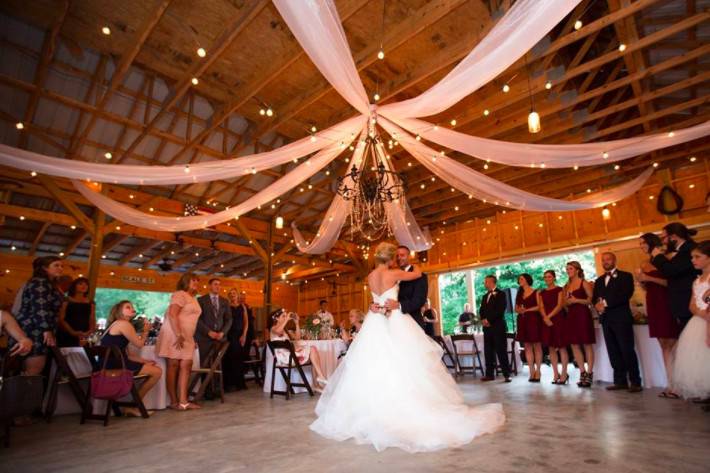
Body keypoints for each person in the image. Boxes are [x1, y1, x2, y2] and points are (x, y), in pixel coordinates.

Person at [311, 242, 505, 453]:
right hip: (394, 321)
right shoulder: (394, 273)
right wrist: (414, 265)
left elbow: (376, 299)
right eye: (396, 256)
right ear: (391, 258)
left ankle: (372, 410)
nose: (398, 259)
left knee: (374, 364)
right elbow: (417, 273)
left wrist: (375, 305)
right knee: (405, 363)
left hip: (374, 322)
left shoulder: (370, 277)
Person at [637, 233, 680, 397]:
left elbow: (670, 282)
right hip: (653, 302)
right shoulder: (645, 263)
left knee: (672, 341)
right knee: (663, 343)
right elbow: (648, 287)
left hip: (666, 302)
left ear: (651, 243)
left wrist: (648, 277)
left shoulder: (665, 259)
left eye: (643, 243)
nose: (641, 246)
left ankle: (679, 383)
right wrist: (642, 282)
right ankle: (670, 383)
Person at [101, 300, 162, 416]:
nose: (132, 309)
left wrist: (145, 361)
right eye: (128, 307)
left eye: (132, 307)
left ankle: (132, 406)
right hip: (115, 365)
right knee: (157, 372)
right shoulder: (123, 324)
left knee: (152, 368)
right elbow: (139, 344)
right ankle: (134, 406)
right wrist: (146, 331)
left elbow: (128, 355)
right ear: (120, 312)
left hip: (108, 364)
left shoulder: (115, 324)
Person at [593, 252, 642, 392]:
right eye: (603, 260)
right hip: (606, 319)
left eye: (608, 259)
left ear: (614, 260)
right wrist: (597, 305)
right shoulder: (599, 280)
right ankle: (620, 381)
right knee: (613, 351)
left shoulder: (626, 276)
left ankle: (635, 381)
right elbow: (595, 297)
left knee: (627, 350)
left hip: (621, 318)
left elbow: (626, 294)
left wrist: (606, 304)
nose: (605, 262)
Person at [671, 241, 710, 401]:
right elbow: (692, 305)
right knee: (700, 360)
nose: (693, 260)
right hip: (699, 320)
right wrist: (702, 313)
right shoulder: (697, 280)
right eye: (692, 257)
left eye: (697, 257)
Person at [156, 273, 202, 411]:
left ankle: (183, 401)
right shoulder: (179, 294)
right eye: (192, 280)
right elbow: (172, 314)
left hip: (187, 336)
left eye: (197, 281)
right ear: (185, 281)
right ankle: (174, 401)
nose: (196, 283)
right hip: (174, 333)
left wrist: (190, 337)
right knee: (173, 364)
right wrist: (178, 334)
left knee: (186, 364)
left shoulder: (194, 298)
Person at [13, 256, 64, 376]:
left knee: (32, 371)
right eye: (56, 265)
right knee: (33, 370)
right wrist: (46, 330)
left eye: (62, 266)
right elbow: (40, 307)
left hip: (37, 328)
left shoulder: (49, 283)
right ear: (44, 268)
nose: (60, 268)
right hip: (34, 330)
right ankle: (26, 394)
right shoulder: (40, 282)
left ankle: (27, 393)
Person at [651, 222, 699, 330]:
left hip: (688, 301)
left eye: (664, 238)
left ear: (673, 237)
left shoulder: (689, 249)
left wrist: (658, 256)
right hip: (681, 303)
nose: (663, 242)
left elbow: (671, 271)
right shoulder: (679, 250)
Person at [269, 308, 329, 392]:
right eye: (283, 316)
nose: (285, 318)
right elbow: (278, 331)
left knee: (313, 351)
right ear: (276, 318)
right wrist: (287, 319)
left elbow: (297, 338)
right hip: (285, 358)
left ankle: (318, 381)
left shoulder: (285, 330)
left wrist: (297, 323)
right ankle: (319, 379)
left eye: (286, 316)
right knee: (312, 350)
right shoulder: (273, 328)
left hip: (290, 356)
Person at [564, 261, 595, 388]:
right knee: (574, 344)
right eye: (567, 269)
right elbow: (564, 303)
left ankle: (590, 373)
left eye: (570, 268)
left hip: (583, 314)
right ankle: (582, 371)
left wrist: (577, 300)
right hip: (571, 315)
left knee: (586, 343)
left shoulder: (584, 283)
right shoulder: (566, 286)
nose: (568, 271)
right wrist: (567, 303)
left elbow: (590, 300)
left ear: (577, 270)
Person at [382, 245, 428, 330]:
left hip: (413, 323)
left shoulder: (420, 276)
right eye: (397, 256)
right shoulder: (392, 275)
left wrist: (398, 305)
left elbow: (419, 300)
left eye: (402, 255)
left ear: (409, 256)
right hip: (393, 323)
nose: (399, 258)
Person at [538, 270, 569, 385]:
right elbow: (541, 306)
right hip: (547, 321)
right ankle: (556, 373)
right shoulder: (542, 292)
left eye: (549, 277)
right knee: (551, 348)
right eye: (545, 277)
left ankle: (564, 373)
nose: (547, 279)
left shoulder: (560, 289)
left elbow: (560, 305)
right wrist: (545, 317)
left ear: (554, 278)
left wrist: (549, 317)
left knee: (561, 347)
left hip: (558, 320)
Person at [479, 275, 511, 383]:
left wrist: (489, 320)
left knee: (501, 350)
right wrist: (483, 320)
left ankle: (507, 374)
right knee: (488, 351)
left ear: (492, 282)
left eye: (486, 281)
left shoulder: (501, 294)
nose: (485, 283)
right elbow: (481, 310)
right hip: (487, 329)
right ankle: (489, 374)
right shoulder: (484, 296)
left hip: (498, 327)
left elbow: (500, 310)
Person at [515, 273, 543, 382]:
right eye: (519, 279)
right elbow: (515, 308)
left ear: (527, 279)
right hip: (522, 320)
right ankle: (531, 371)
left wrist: (527, 310)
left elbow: (539, 307)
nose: (519, 280)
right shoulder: (519, 293)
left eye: (521, 278)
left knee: (537, 345)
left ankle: (538, 370)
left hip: (534, 320)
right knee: (527, 346)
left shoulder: (536, 292)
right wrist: (520, 310)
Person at [195, 278, 232, 362]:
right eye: (215, 284)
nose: (218, 286)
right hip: (204, 339)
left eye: (219, 284)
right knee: (204, 364)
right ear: (210, 286)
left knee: (218, 365)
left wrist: (223, 332)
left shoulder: (225, 301)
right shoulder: (201, 300)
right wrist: (208, 332)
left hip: (220, 339)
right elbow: (197, 319)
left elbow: (229, 319)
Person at [56, 277, 96, 347]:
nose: (84, 286)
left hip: (84, 334)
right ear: (74, 286)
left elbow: (92, 318)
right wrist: (72, 332)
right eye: (80, 284)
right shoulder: (66, 300)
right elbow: (61, 319)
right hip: (67, 333)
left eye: (86, 284)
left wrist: (90, 331)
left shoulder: (91, 302)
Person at [224, 288, 249, 391]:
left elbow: (246, 323)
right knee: (229, 359)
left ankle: (239, 383)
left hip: (239, 335)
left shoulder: (242, 307)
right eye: (230, 294)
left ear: (237, 295)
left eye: (234, 293)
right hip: (229, 335)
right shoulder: (227, 307)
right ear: (229, 296)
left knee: (238, 358)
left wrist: (244, 335)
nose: (232, 295)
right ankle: (229, 384)